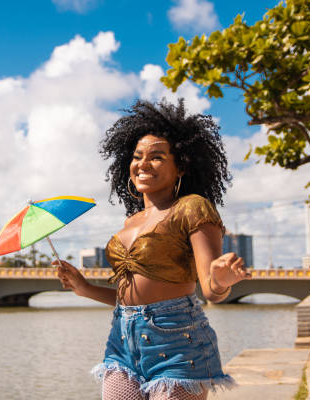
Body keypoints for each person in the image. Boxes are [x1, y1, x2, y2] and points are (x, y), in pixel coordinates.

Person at [54, 99, 251, 400]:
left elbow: (211, 290)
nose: (143, 163)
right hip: (122, 343)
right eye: (137, 156)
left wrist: (221, 280)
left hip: (177, 343)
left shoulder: (192, 208)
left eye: (156, 157)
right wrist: (84, 288)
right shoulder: (130, 221)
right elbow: (129, 300)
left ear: (181, 165)